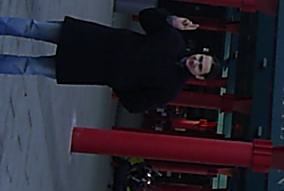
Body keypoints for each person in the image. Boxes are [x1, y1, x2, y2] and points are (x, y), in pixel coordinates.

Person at [0, 9, 218, 112]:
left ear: (199, 76)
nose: (195, 61)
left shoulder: (169, 89)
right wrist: (171, 20)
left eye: (200, 66)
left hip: (91, 70)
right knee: (34, 28)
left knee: (29, 66)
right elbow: (146, 16)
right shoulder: (173, 40)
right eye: (200, 58)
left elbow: (135, 105)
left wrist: (118, 80)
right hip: (92, 38)